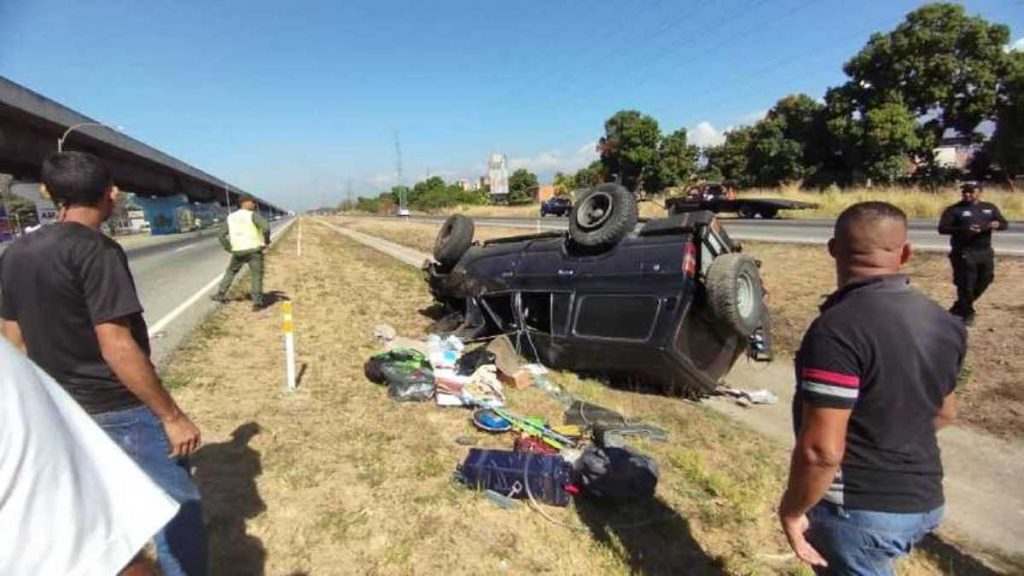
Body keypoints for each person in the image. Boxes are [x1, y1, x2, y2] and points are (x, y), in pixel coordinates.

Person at [0, 151, 208, 576]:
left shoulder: (17, 253)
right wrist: (170, 415)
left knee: (93, 519)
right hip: (119, 409)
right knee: (177, 506)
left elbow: (13, 340)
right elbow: (116, 343)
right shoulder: (98, 251)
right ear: (108, 194)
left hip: (58, 410)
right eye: (115, 188)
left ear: (51, 194)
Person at [778, 202, 965, 575]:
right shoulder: (944, 322)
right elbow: (945, 412)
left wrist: (792, 510)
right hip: (925, 500)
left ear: (833, 249)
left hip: (861, 511)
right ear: (906, 252)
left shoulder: (837, 329)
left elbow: (821, 452)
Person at [0, 338, 179, 575]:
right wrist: (171, 416)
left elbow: (17, 337)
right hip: (82, 415)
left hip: (74, 407)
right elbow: (116, 343)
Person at [938, 182, 1009, 325]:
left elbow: (1004, 223)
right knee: (966, 284)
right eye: (964, 191)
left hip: (985, 251)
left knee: (986, 279)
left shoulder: (989, 207)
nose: (967, 194)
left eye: (971, 191)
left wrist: (996, 225)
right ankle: (967, 313)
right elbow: (942, 228)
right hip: (964, 252)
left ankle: (960, 306)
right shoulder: (954, 210)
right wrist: (964, 229)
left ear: (979, 192)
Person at [211, 194, 270, 311]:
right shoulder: (253, 215)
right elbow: (266, 228)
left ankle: (220, 294)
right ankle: (257, 302)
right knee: (256, 275)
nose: (254, 204)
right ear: (246, 202)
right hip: (254, 251)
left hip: (238, 251)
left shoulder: (230, 217)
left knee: (231, 271)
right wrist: (267, 241)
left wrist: (229, 248)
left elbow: (221, 235)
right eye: (253, 202)